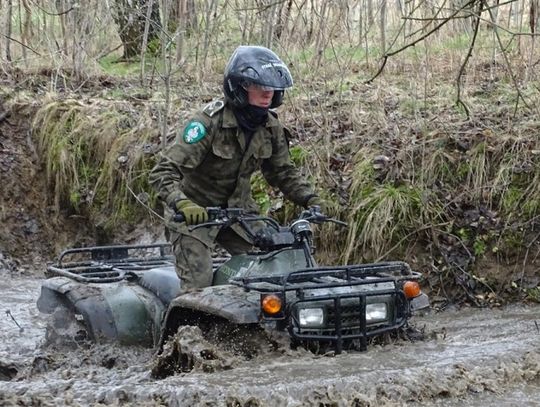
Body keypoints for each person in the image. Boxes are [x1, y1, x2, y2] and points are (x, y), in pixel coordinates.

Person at [149, 45, 326, 291]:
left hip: (240, 215)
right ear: (239, 88)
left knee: (272, 268)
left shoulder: (270, 127)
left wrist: (311, 199)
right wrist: (183, 204)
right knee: (200, 288)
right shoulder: (208, 123)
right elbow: (163, 172)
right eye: (259, 87)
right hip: (195, 216)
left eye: (272, 88)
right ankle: (190, 329)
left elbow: (284, 172)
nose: (267, 94)